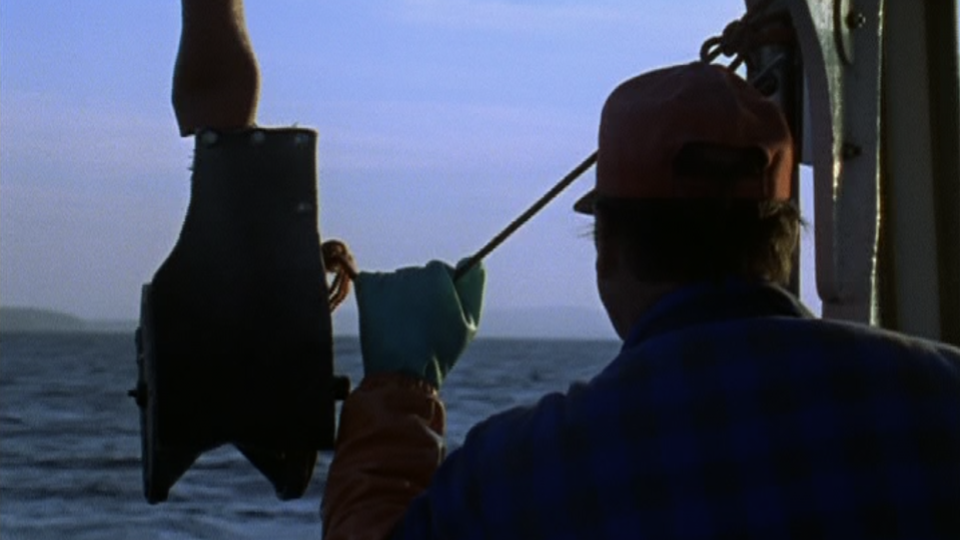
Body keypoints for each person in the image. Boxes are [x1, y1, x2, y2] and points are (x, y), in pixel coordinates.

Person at [170, 2, 960, 537]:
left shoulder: (530, 473)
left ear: (608, 246)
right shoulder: (942, 397)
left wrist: (400, 387)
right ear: (787, 236)